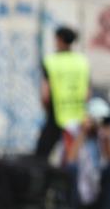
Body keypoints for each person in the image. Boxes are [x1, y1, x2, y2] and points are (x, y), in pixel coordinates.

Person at [63, 97, 110, 209]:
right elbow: (70, 160)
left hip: (94, 182)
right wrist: (83, 133)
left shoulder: (101, 135)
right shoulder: (72, 129)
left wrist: (108, 138)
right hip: (77, 183)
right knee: (71, 170)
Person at [36, 26, 90, 161]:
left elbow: (45, 94)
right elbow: (88, 92)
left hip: (56, 114)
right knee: (73, 158)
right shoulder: (82, 61)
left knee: (41, 156)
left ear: (59, 40)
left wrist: (47, 109)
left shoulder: (51, 61)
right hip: (77, 117)